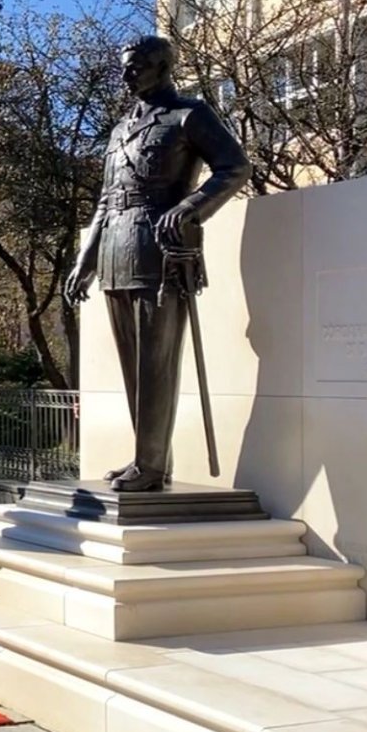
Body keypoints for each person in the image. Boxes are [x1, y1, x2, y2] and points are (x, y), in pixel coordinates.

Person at [62, 35, 249, 492]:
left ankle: (151, 465)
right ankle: (144, 460)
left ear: (163, 66)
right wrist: (83, 263)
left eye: (137, 66)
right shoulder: (121, 128)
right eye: (125, 67)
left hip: (162, 254)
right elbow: (106, 202)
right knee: (133, 364)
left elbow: (235, 168)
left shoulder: (190, 114)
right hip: (115, 253)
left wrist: (192, 207)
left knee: (156, 364)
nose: (127, 75)